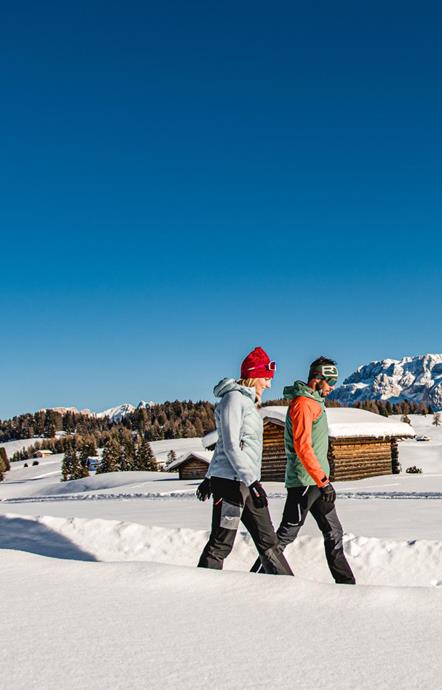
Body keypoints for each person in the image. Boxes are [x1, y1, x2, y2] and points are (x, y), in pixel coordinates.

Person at [251, 356, 355, 584]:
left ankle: (347, 585)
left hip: (318, 482)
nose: (332, 387)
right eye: (330, 382)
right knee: (286, 535)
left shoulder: (315, 403)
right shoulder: (302, 404)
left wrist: (324, 481)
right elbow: (302, 445)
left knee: (334, 532)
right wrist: (322, 480)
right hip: (305, 482)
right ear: (317, 379)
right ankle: (255, 579)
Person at [197, 346, 293, 576]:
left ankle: (289, 589)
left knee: (267, 541)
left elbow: (228, 444)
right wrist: (247, 482)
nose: (269, 385)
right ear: (254, 376)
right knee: (221, 542)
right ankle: (200, 590)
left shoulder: (248, 402)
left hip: (245, 483)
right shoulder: (233, 399)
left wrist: (211, 476)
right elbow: (229, 444)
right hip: (232, 485)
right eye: (266, 379)